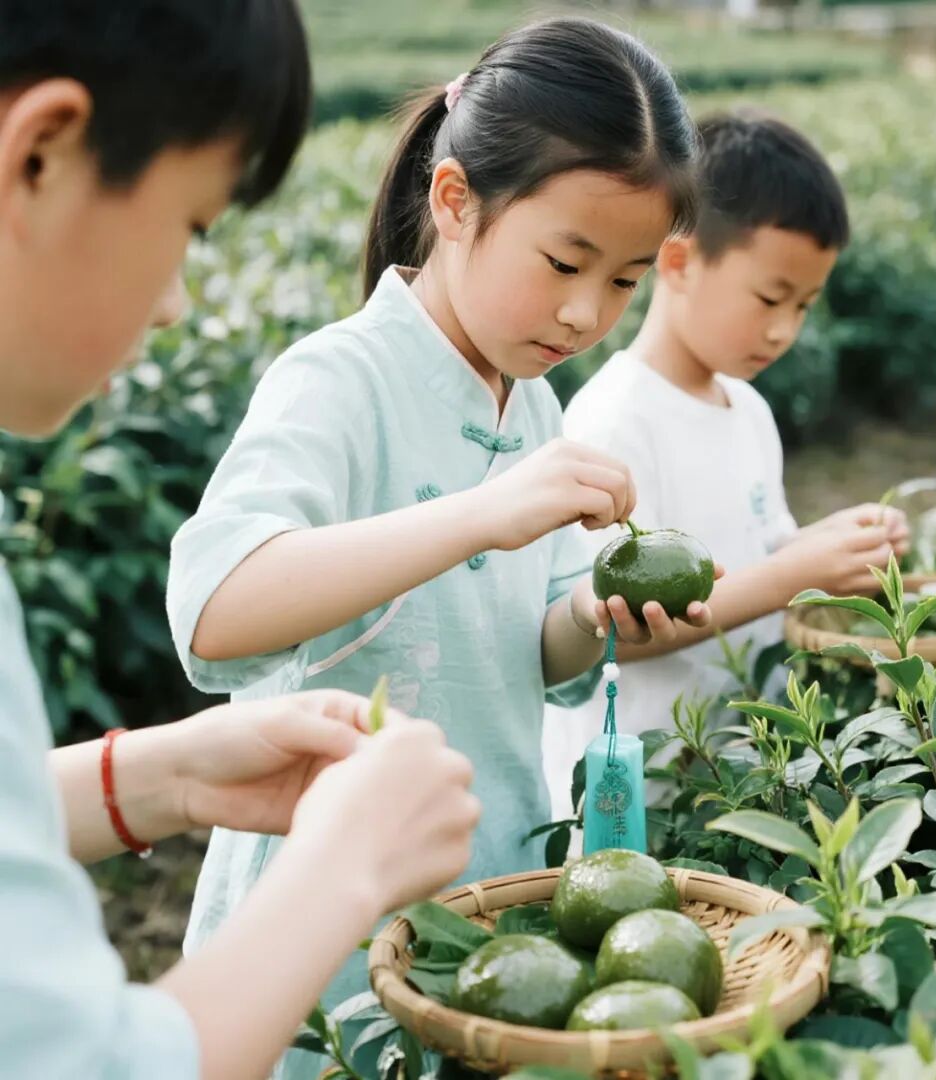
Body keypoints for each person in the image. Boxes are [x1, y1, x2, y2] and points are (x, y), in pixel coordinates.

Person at [166, 17, 713, 1077]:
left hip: (488, 911)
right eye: (565, 260)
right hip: (318, 939)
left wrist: (593, 621)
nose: (584, 310)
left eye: (625, 280)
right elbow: (213, 615)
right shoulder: (339, 381)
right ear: (456, 201)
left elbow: (532, 657)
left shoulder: (537, 407)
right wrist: (481, 513)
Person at [0, 4, 480, 1077]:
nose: (173, 304)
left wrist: (155, 779)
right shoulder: (344, 376)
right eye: (192, 225)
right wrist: (344, 870)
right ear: (40, 153)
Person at [544, 110, 909, 819]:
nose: (785, 329)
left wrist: (834, 544)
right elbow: (616, 631)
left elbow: (758, 551)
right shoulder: (615, 421)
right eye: (771, 298)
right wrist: (794, 574)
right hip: (639, 793)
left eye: (804, 305)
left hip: (736, 772)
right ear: (678, 262)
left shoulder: (747, 410)